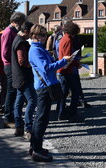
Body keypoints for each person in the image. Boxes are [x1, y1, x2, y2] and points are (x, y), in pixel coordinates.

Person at [28, 24, 72, 162]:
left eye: (45, 35)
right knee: (41, 118)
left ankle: (35, 146)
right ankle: (37, 150)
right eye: (42, 35)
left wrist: (63, 62)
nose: (44, 37)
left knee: (42, 118)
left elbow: (51, 63)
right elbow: (46, 68)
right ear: (34, 36)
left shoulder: (40, 49)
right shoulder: (35, 50)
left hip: (47, 85)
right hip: (44, 87)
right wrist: (63, 62)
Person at [1, 12, 26, 128]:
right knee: (11, 92)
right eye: (21, 23)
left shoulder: (13, 31)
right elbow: (5, 52)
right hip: (10, 65)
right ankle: (8, 117)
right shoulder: (8, 32)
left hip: (12, 65)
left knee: (13, 92)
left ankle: (11, 115)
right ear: (17, 21)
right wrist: (13, 62)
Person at [11, 21, 36, 140]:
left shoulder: (17, 39)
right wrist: (34, 64)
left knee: (19, 101)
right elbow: (22, 61)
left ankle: (18, 126)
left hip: (18, 76)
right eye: (31, 33)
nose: (31, 35)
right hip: (23, 77)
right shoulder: (21, 42)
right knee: (32, 100)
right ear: (26, 31)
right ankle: (28, 127)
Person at [57, 21, 84, 123]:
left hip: (62, 70)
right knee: (75, 91)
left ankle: (61, 114)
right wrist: (77, 64)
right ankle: (72, 114)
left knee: (63, 94)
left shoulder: (64, 39)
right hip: (66, 71)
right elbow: (68, 58)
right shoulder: (68, 40)